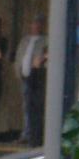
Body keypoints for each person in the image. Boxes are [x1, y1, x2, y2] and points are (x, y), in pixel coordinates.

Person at [17, 15, 50, 145]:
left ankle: (34, 135)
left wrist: (41, 61)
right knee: (27, 106)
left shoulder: (45, 40)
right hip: (25, 77)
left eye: (38, 24)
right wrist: (18, 72)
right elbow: (20, 57)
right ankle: (27, 133)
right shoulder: (25, 40)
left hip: (37, 78)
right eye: (33, 24)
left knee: (36, 107)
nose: (35, 27)